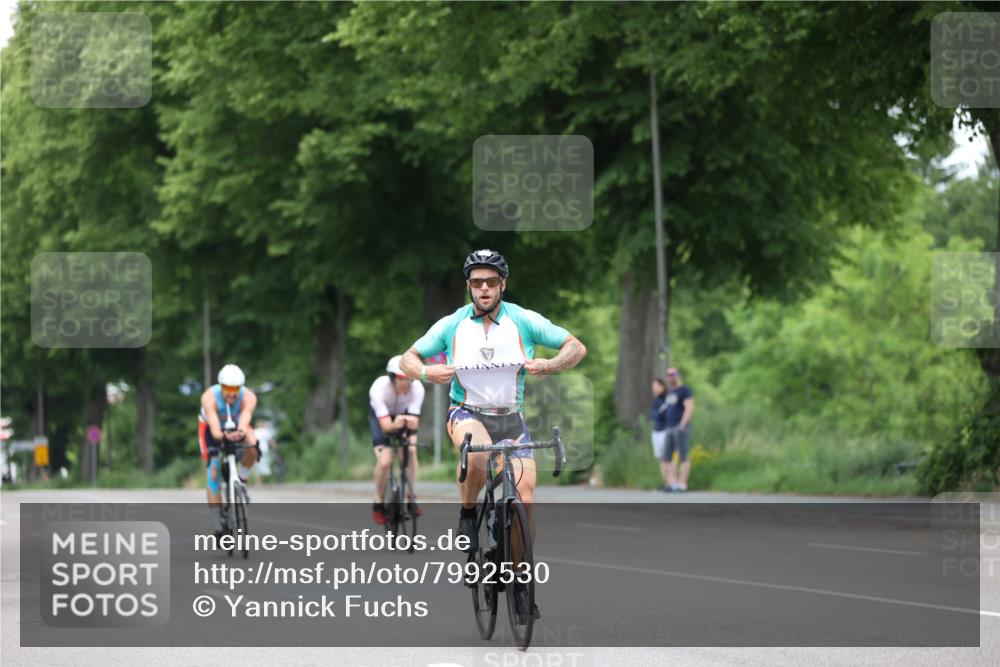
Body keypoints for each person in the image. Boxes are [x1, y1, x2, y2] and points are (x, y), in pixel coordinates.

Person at [400, 249, 587, 620]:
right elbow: (408, 358)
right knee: (479, 456)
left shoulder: (523, 320)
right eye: (476, 283)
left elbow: (575, 347)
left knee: (526, 498)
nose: (483, 289)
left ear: (503, 284)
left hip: (511, 419)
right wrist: (425, 373)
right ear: (468, 286)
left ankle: (519, 580)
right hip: (466, 412)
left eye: (490, 282)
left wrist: (550, 365)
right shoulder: (452, 324)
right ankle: (468, 514)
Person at [198, 364, 259, 538]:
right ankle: (218, 526)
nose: (232, 393)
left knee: (252, 444)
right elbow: (216, 431)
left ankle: (242, 481)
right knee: (214, 472)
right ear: (220, 386)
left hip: (235, 426)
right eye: (228, 389)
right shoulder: (209, 397)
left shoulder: (249, 397)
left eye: (236, 389)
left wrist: (240, 433)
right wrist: (222, 436)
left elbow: (245, 420)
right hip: (212, 429)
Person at [369, 355, 425, 525]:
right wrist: (396, 425)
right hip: (382, 419)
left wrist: (410, 424)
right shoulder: (378, 388)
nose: (407, 383)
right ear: (392, 378)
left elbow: (414, 423)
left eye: (410, 379)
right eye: (402, 379)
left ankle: (411, 496)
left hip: (404, 414)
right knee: (385, 461)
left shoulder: (418, 389)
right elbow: (386, 428)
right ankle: (378, 501)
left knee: (411, 450)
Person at [663, 366, 694, 492]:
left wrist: (683, 424)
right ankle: (673, 483)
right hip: (669, 427)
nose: (670, 377)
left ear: (678, 375)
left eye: (673, 374)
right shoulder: (670, 392)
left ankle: (682, 483)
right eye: (668, 375)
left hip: (680, 427)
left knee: (683, 456)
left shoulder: (684, 390)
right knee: (667, 457)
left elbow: (689, 407)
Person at [650, 378, 671, 492]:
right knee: (661, 459)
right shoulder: (657, 400)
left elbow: (663, 414)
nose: (653, 388)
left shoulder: (667, 399)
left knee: (668, 458)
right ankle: (665, 482)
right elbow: (654, 415)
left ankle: (671, 483)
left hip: (665, 431)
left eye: (656, 386)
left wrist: (658, 413)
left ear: (662, 386)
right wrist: (658, 413)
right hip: (656, 431)